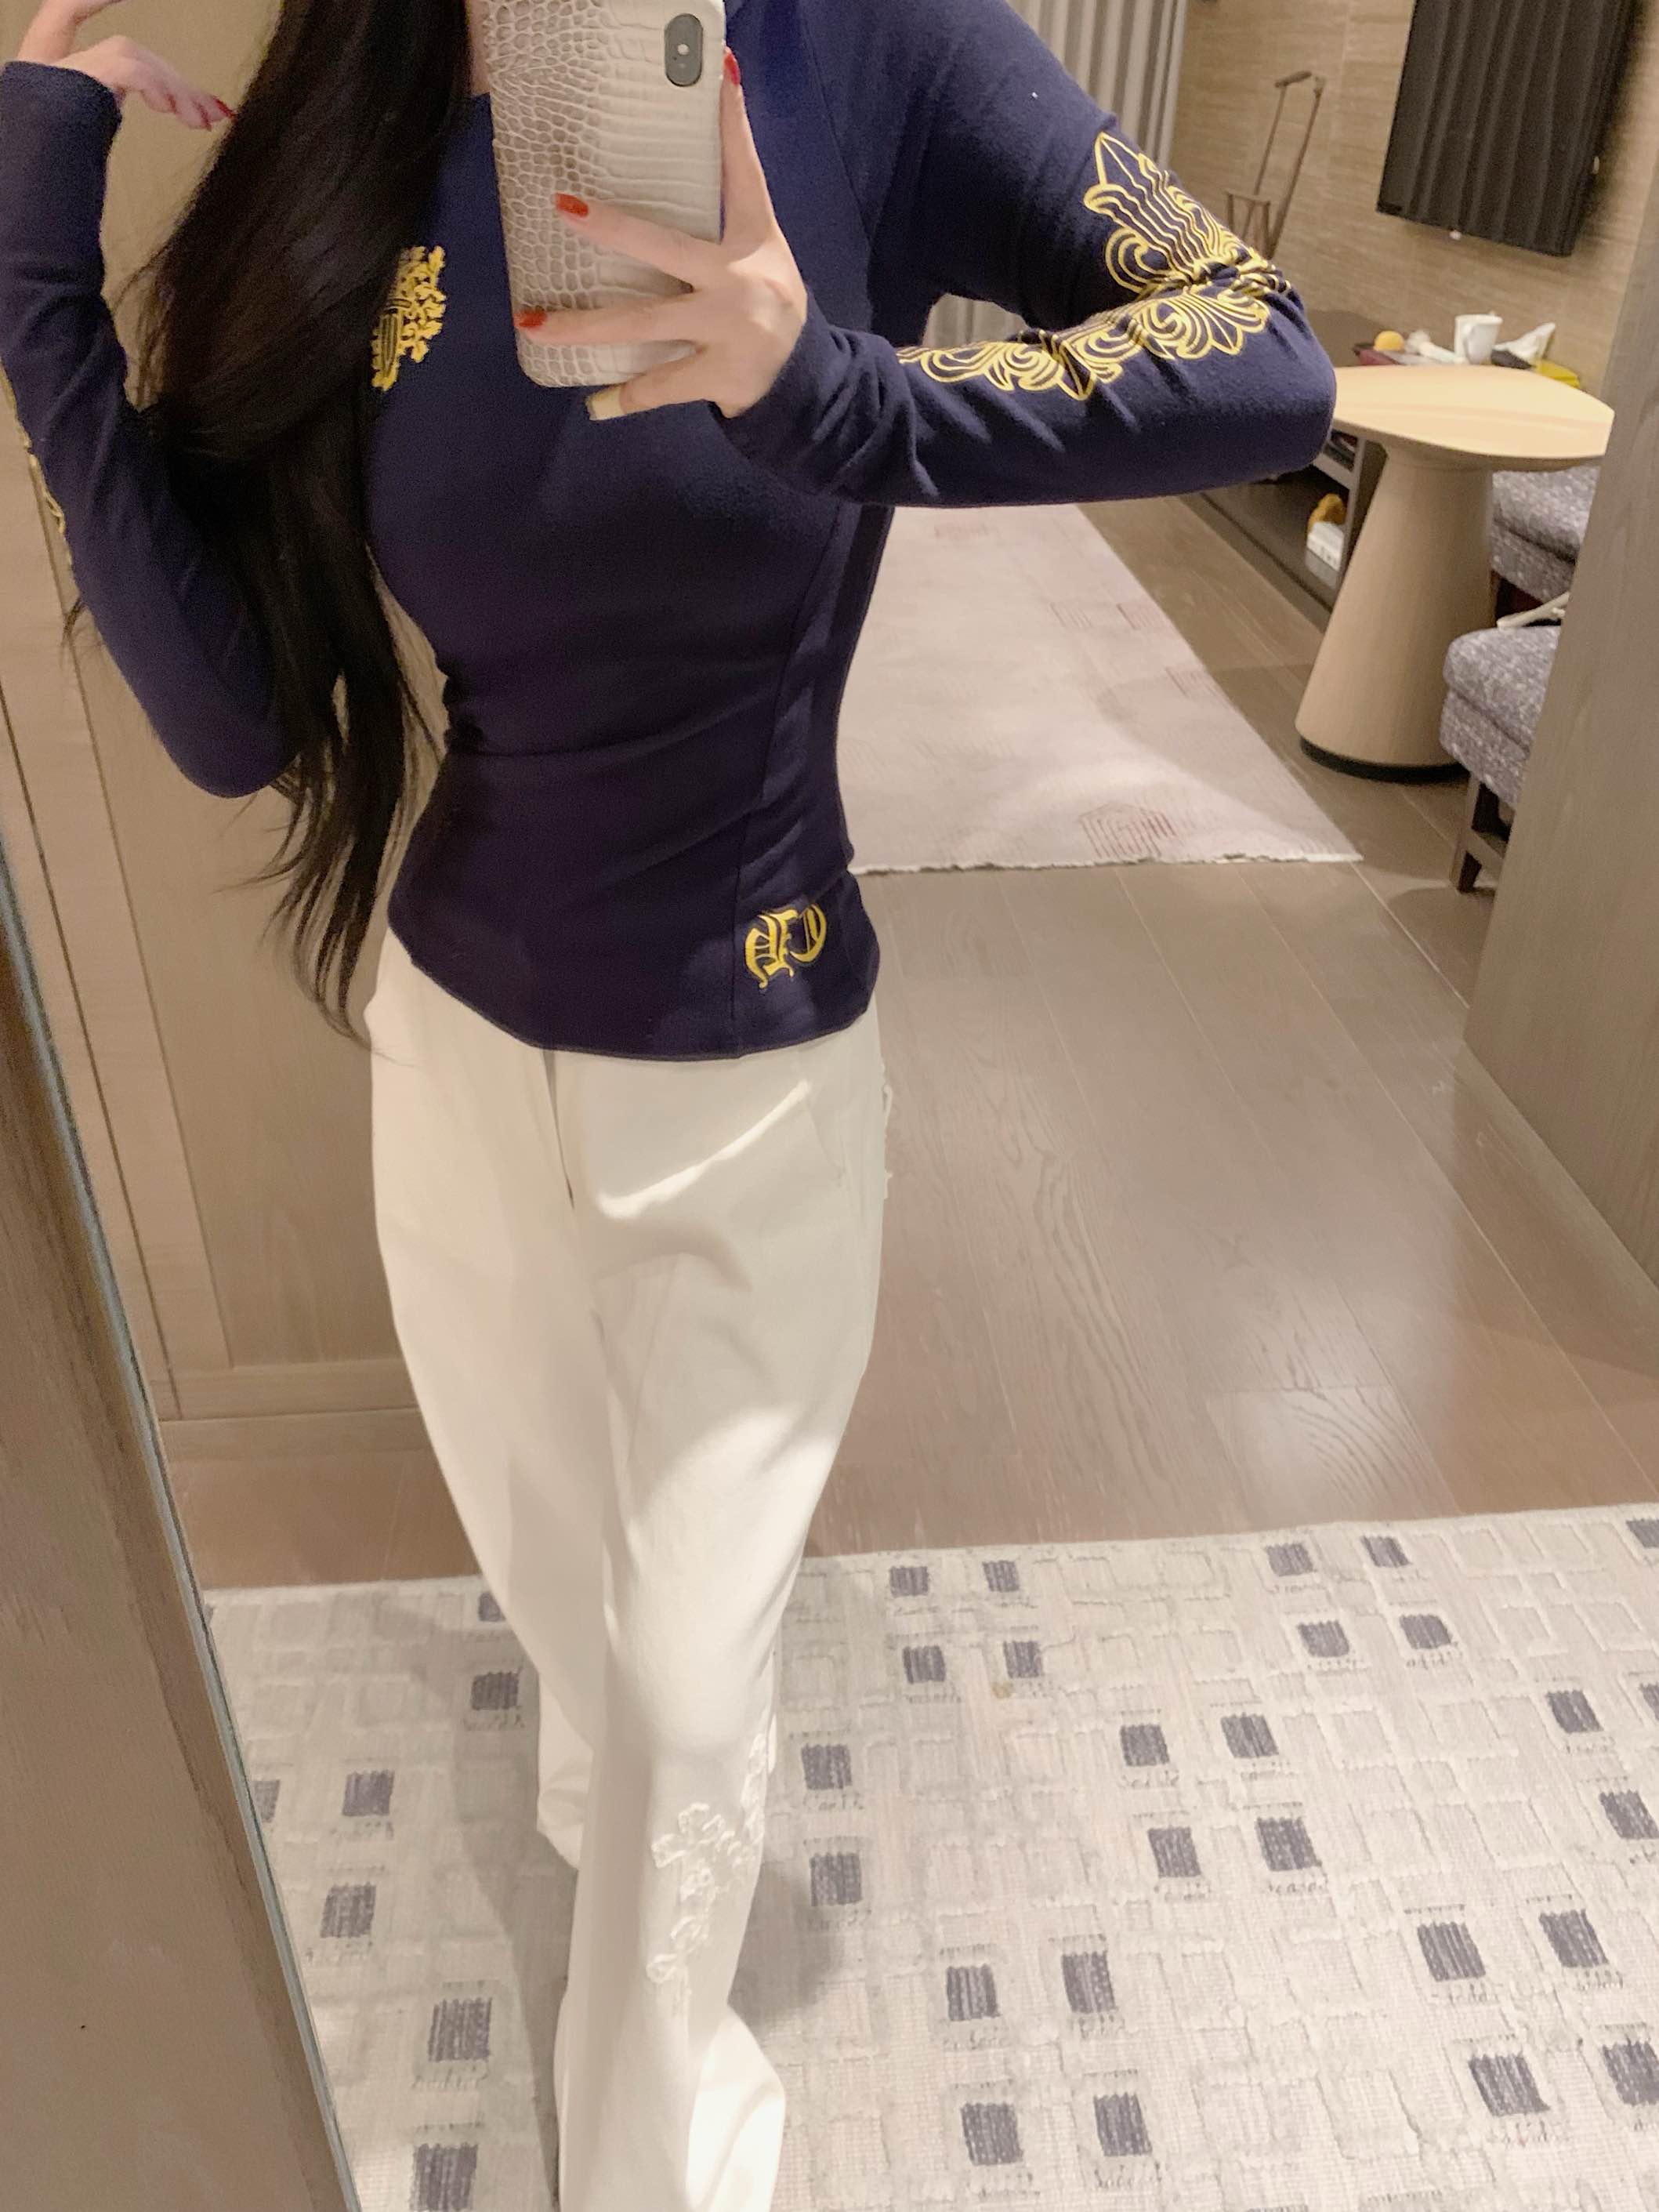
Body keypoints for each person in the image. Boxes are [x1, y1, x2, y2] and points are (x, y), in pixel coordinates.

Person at [0, 0, 1336, 2202]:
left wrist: (841, 394)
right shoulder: (365, 90)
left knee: (689, 1706)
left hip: (749, 1071)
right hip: (456, 1061)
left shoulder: (872, 50)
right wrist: (36, 268)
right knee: (587, 1653)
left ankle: (650, 2146)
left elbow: (1267, 356)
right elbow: (237, 723)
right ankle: (612, 1833)